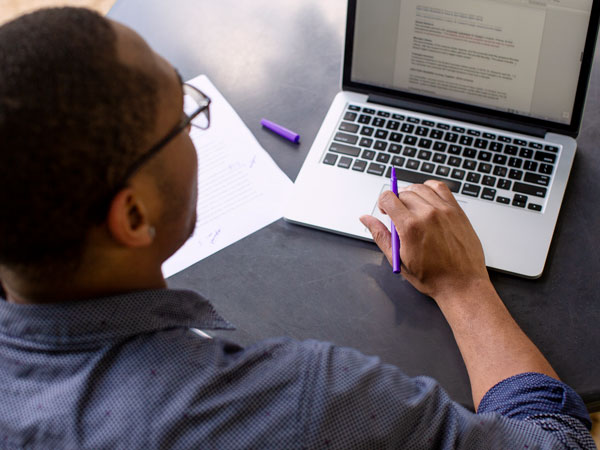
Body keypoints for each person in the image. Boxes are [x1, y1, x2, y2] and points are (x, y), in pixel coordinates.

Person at [0, 7, 594, 449]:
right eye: (182, 115)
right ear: (133, 216)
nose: (194, 123)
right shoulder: (304, 403)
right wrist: (464, 286)